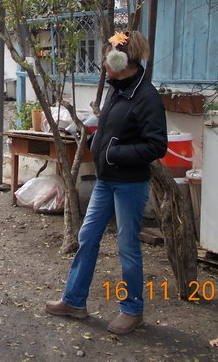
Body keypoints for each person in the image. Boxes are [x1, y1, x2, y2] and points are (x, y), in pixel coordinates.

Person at [45, 30, 167, 335]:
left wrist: (113, 152)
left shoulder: (146, 97)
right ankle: (74, 301)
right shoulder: (118, 89)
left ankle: (133, 310)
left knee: (127, 246)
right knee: (87, 237)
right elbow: (114, 129)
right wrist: (96, 138)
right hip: (106, 180)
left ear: (122, 61)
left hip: (130, 184)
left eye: (107, 58)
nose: (103, 64)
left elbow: (156, 146)